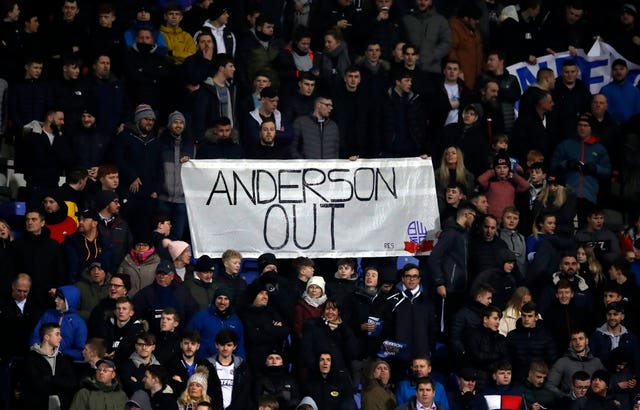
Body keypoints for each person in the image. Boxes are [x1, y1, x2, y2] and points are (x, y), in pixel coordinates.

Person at [551, 114, 612, 227]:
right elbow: (553, 165)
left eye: (586, 125)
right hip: (567, 195)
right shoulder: (566, 145)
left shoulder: (599, 148)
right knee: (566, 226)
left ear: (591, 128)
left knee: (586, 228)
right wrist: (567, 164)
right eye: (580, 125)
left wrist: (595, 168)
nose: (582, 128)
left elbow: (607, 171)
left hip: (589, 195)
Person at [115, 103, 162, 238]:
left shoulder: (155, 141)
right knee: (127, 226)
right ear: (138, 120)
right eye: (146, 119)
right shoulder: (124, 137)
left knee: (144, 229)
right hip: (129, 191)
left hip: (148, 194)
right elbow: (119, 160)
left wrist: (156, 189)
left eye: (152, 120)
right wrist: (132, 176)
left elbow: (159, 167)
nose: (150, 122)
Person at [428, 202, 477, 332]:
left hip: (460, 288)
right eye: (473, 216)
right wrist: (439, 283)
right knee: (446, 326)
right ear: (467, 215)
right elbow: (434, 258)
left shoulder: (463, 234)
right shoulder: (451, 233)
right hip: (449, 289)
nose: (474, 220)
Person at [22, 323, 78, 409]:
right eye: (57, 334)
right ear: (47, 337)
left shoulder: (63, 359)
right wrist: (58, 381)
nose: (60, 337)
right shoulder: (31, 359)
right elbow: (36, 384)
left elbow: (72, 383)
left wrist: (50, 379)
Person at [158, 110, 194, 241]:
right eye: (175, 122)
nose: (178, 125)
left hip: (182, 199)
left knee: (178, 236)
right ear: (169, 125)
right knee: (162, 236)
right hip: (163, 198)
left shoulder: (191, 146)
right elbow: (155, 169)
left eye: (181, 123)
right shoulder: (160, 144)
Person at [134, 260, 196, 334]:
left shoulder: (182, 292)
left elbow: (191, 314)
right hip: (152, 339)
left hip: (177, 338)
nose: (161, 276)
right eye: (159, 273)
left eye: (164, 274)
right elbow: (137, 315)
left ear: (172, 276)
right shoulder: (145, 293)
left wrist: (185, 333)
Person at [186, 287, 245, 360]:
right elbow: (189, 338)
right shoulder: (201, 317)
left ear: (230, 301)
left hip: (228, 364)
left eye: (226, 299)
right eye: (219, 298)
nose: (222, 302)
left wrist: (241, 363)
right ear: (215, 300)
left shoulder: (235, 320)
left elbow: (240, 345)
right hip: (204, 361)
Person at [30, 285, 87, 361]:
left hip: (63, 362)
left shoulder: (79, 323)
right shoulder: (48, 314)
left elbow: (81, 351)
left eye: (60, 299)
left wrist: (61, 353)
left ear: (69, 301)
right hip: (39, 358)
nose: (56, 300)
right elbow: (36, 334)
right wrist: (37, 348)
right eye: (56, 297)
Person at [506, 302, 558, 382]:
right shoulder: (512, 336)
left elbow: (552, 360)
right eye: (524, 316)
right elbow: (508, 360)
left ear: (536, 317)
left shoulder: (546, 335)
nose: (526, 319)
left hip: (540, 380)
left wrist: (546, 379)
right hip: (517, 380)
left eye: (530, 316)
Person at [545, 330, 605, 395]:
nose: (578, 342)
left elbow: (607, 382)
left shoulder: (596, 362)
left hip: (593, 402)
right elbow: (550, 385)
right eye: (574, 339)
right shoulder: (562, 362)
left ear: (586, 341)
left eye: (581, 339)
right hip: (571, 403)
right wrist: (565, 397)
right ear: (570, 343)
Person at [477, 151, 530, 222]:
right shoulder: (490, 183)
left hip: (507, 220)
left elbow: (526, 186)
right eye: (498, 167)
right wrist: (492, 172)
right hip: (492, 220)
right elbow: (480, 180)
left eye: (505, 167)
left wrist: (514, 176)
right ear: (494, 168)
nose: (502, 170)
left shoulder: (512, 184)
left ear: (509, 169)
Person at [205, 328, 252, 410]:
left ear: (235, 346)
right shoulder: (207, 365)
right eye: (222, 345)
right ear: (216, 345)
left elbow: (244, 393)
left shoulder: (242, 366)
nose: (225, 348)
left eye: (229, 345)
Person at [402, 0, 451, 75]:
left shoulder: (440, 20)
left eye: (426, 0)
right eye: (420, 0)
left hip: (432, 69)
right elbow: (401, 42)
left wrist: (432, 55)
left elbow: (447, 42)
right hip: (410, 70)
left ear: (431, 1)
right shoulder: (406, 20)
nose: (422, 2)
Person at [0, 273, 42, 360]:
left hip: (29, 353)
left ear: (29, 289)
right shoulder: (3, 304)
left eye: (25, 291)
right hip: (7, 353)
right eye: (19, 290)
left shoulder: (35, 305)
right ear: (13, 287)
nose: (22, 294)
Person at [589, 301, 640, 368]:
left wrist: (635, 377)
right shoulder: (596, 336)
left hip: (626, 376)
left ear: (622, 316)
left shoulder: (631, 337)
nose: (612, 317)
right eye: (609, 314)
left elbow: (636, 360)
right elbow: (591, 361)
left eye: (615, 314)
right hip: (603, 375)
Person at [120, 331, 162, 396]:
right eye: (140, 344)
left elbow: (164, 389)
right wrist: (153, 386)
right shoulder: (126, 366)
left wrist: (137, 383)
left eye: (147, 345)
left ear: (153, 347)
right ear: (135, 346)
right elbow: (130, 390)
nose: (144, 348)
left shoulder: (159, 367)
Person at [599, 58, 640, 124]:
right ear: (612, 72)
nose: (618, 72)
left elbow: (638, 112)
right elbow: (601, 111)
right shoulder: (605, 90)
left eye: (621, 69)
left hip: (631, 129)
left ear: (627, 71)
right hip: (610, 127)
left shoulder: (635, 91)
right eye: (615, 69)